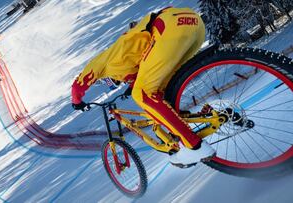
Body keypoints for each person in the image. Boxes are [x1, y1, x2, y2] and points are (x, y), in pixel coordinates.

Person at [71, 6, 215, 165]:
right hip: (194, 24)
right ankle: (200, 121)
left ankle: (194, 146)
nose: (112, 82)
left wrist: (77, 103)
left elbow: (78, 84)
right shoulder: (126, 58)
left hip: (168, 26)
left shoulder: (103, 60)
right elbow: (146, 67)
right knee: (162, 94)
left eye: (107, 81)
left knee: (142, 94)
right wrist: (131, 85)